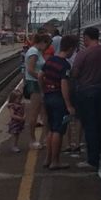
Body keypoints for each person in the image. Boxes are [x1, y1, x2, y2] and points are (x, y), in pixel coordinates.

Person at [71, 26, 101, 170]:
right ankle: (98, 155)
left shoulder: (83, 54)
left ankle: (92, 161)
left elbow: (75, 74)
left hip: (86, 93)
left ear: (87, 37)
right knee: (98, 124)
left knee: (90, 126)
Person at [41, 34, 78, 170]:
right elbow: (64, 85)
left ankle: (47, 159)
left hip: (48, 97)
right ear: (70, 49)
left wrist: (43, 90)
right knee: (58, 131)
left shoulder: (50, 60)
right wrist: (69, 105)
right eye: (73, 50)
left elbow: (40, 75)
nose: (73, 53)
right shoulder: (65, 65)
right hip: (59, 100)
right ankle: (55, 162)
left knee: (51, 129)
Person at [22, 33, 50, 149]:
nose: (48, 46)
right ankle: (32, 140)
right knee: (34, 113)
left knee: (44, 113)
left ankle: (44, 139)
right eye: (47, 43)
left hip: (38, 83)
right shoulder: (33, 52)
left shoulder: (37, 51)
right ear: (42, 42)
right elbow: (30, 70)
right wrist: (42, 77)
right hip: (34, 84)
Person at [6, 86, 26, 153]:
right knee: (15, 135)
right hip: (15, 123)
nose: (19, 100)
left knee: (17, 134)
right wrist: (20, 118)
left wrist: (24, 116)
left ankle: (15, 145)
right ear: (13, 99)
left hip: (19, 122)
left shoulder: (20, 105)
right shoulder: (12, 106)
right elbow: (12, 115)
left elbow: (23, 112)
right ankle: (14, 146)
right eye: (18, 99)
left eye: (20, 98)